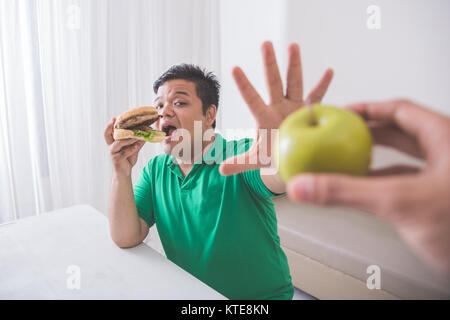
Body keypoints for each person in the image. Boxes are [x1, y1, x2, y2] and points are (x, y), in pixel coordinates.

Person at [104, 59, 333, 299]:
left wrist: (285, 148)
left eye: (179, 102)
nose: (164, 112)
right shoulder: (155, 169)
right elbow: (125, 237)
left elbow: (275, 174)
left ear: (209, 115)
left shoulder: (242, 156)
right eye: (159, 106)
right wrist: (121, 171)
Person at [219, 41, 450, 277]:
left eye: (181, 102)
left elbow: (267, 179)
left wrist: (281, 160)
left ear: (209, 114)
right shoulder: (181, 163)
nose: (176, 112)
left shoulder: (229, 152)